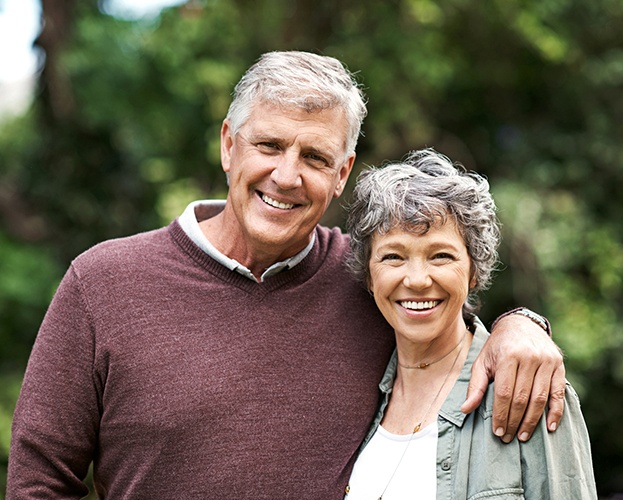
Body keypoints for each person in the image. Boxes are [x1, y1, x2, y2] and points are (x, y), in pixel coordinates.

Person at [8, 51, 565, 499]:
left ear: (343, 173)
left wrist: (522, 324)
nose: (287, 175)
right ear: (229, 144)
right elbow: (38, 481)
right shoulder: (102, 282)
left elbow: (454, 333)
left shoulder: (369, 279)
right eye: (270, 146)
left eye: (316, 158)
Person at [343, 149, 597, 499]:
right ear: (369, 275)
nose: (417, 279)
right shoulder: (353, 396)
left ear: (474, 270)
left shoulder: (526, 389)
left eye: (441, 256)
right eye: (393, 256)